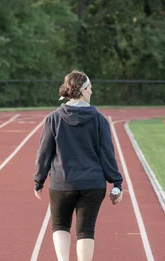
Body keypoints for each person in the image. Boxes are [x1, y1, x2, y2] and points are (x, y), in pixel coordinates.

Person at [33, 70, 124, 261]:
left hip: (61, 184)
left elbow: (44, 154)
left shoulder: (54, 119)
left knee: (60, 226)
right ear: (82, 91)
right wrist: (116, 183)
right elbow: (107, 154)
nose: (92, 91)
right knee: (86, 231)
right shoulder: (99, 120)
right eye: (90, 88)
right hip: (92, 184)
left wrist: (39, 181)